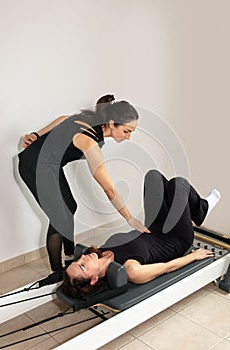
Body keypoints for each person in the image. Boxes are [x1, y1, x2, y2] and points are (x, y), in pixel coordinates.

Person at [18, 94, 149, 286]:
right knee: (58, 219)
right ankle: (57, 272)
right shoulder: (89, 142)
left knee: (70, 206)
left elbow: (63, 119)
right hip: (35, 166)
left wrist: (38, 135)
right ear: (112, 124)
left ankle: (70, 258)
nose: (128, 137)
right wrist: (129, 217)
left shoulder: (93, 121)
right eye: (127, 131)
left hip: (49, 165)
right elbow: (109, 189)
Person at [62, 169, 221, 298]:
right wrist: (193, 256)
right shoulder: (131, 270)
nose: (83, 257)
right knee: (178, 184)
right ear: (94, 280)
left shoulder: (102, 251)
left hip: (155, 227)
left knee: (153, 176)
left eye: (78, 261)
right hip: (176, 238)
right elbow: (166, 267)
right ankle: (201, 210)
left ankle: (199, 209)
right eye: (82, 266)